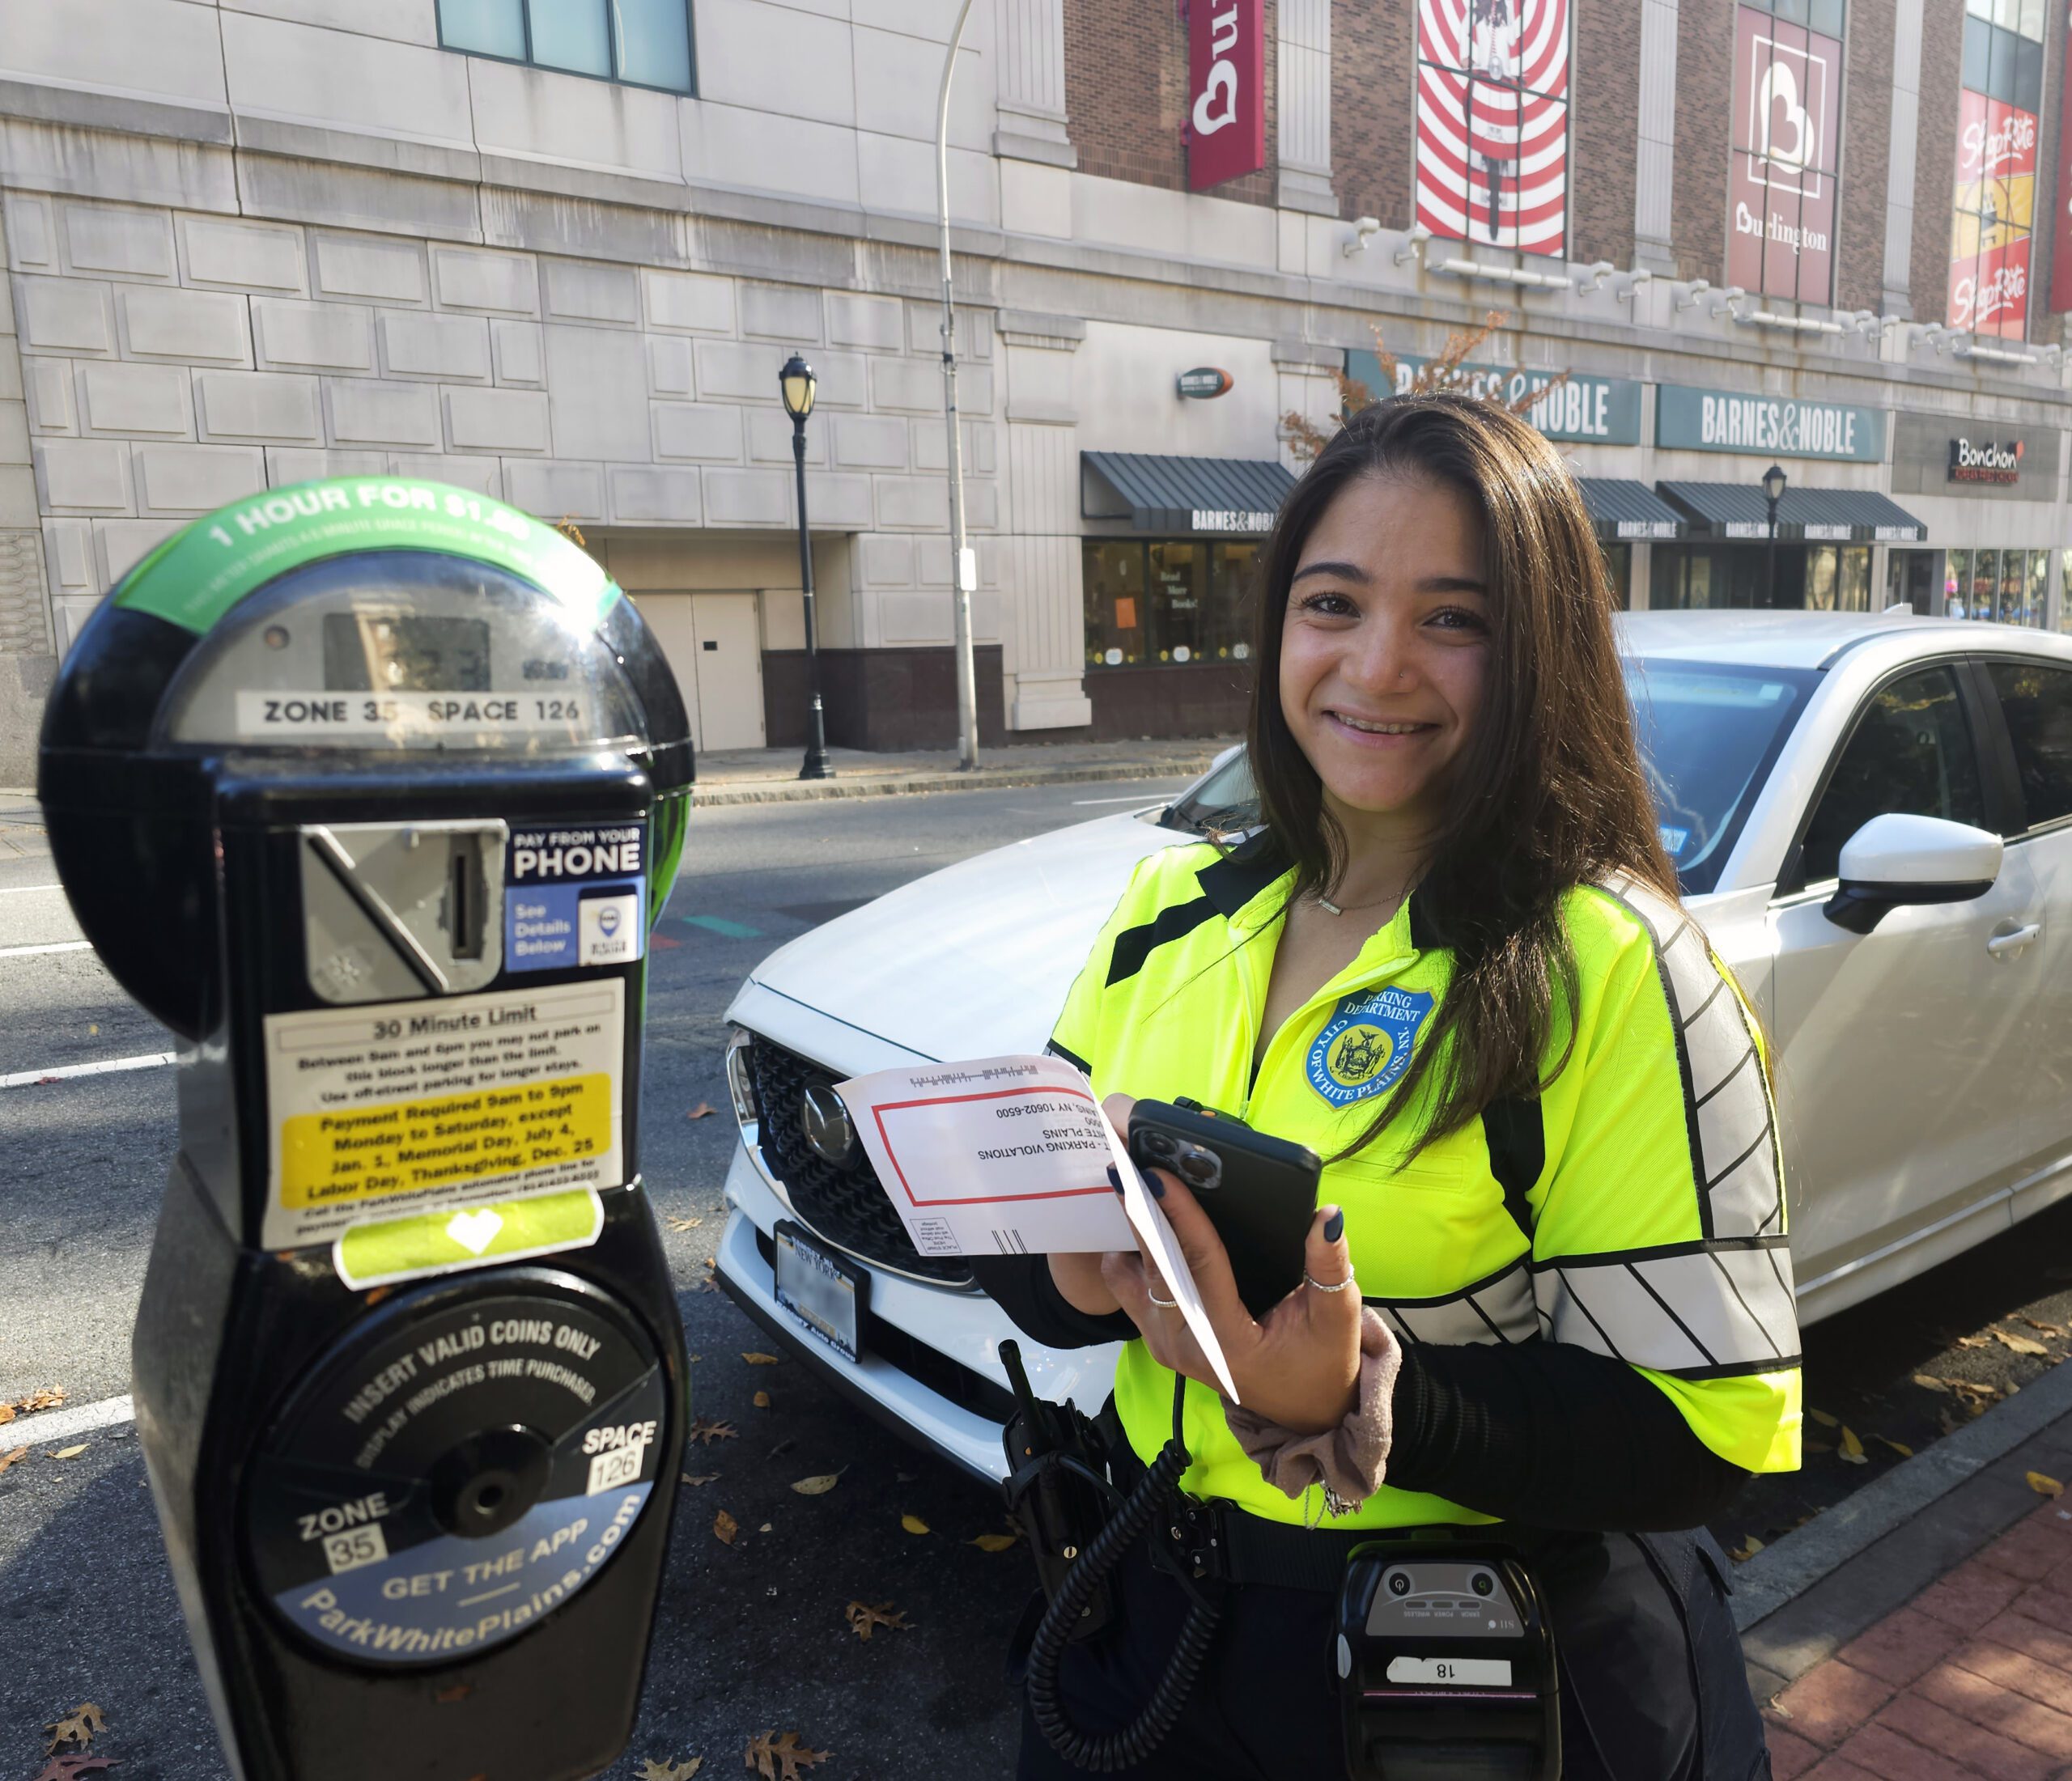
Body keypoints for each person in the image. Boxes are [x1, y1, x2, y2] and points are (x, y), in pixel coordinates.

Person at [973, 392, 1799, 1780]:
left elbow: (1698, 1432)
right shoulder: (1169, 905)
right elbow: (1039, 1257)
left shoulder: (1610, 962)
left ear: (1535, 651)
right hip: (1149, 1621)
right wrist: (1068, 1263)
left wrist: (1366, 1399)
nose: (1378, 664)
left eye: (1453, 619)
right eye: (1335, 602)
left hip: (1465, 1674)